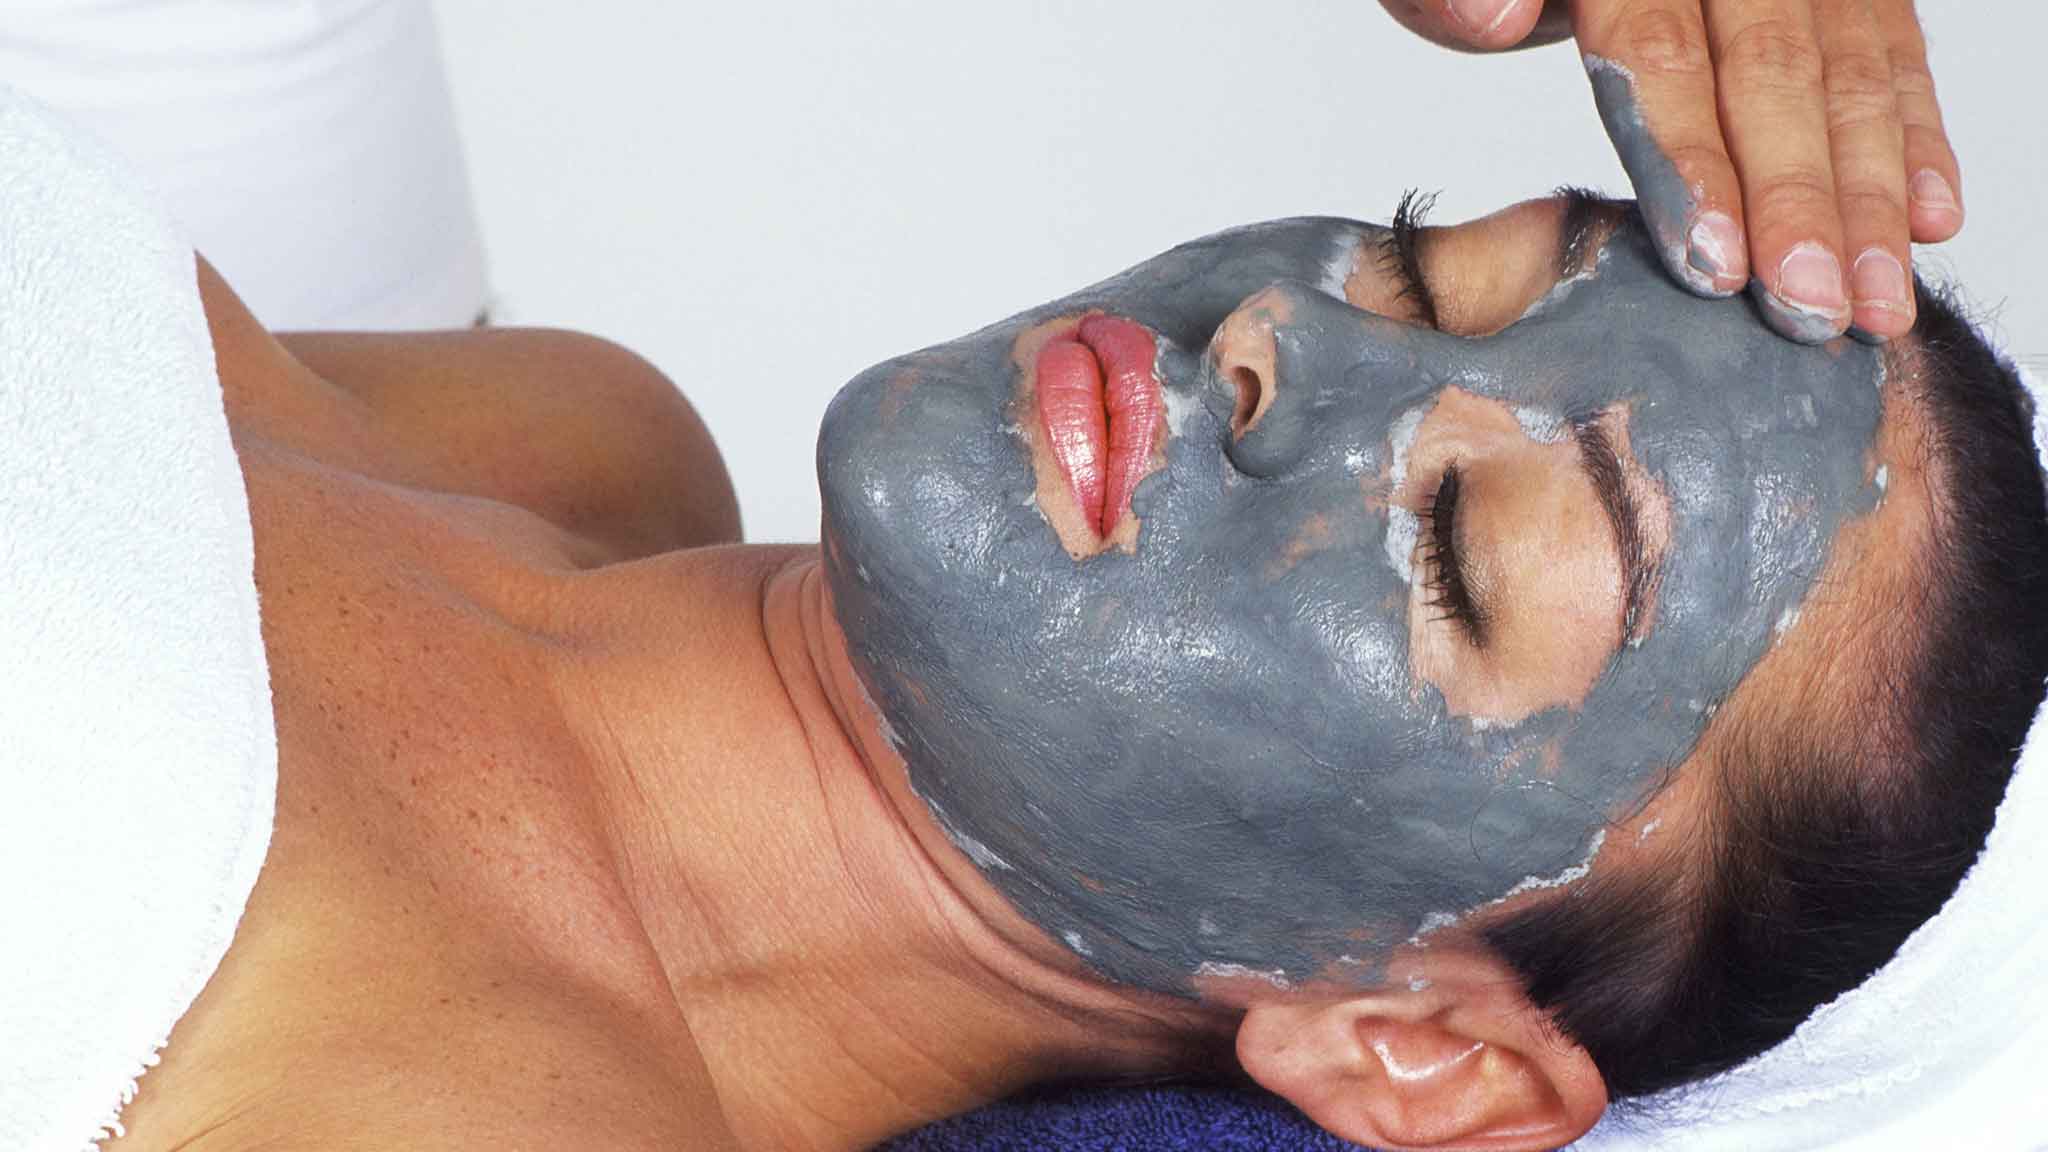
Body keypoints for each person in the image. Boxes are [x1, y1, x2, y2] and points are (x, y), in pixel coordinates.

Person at [97, 180, 2048, 1152]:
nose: (1285, 340)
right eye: (1426, 267)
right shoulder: (578, 436)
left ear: (1415, 1046)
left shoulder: (477, 1111)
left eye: (1460, 547)